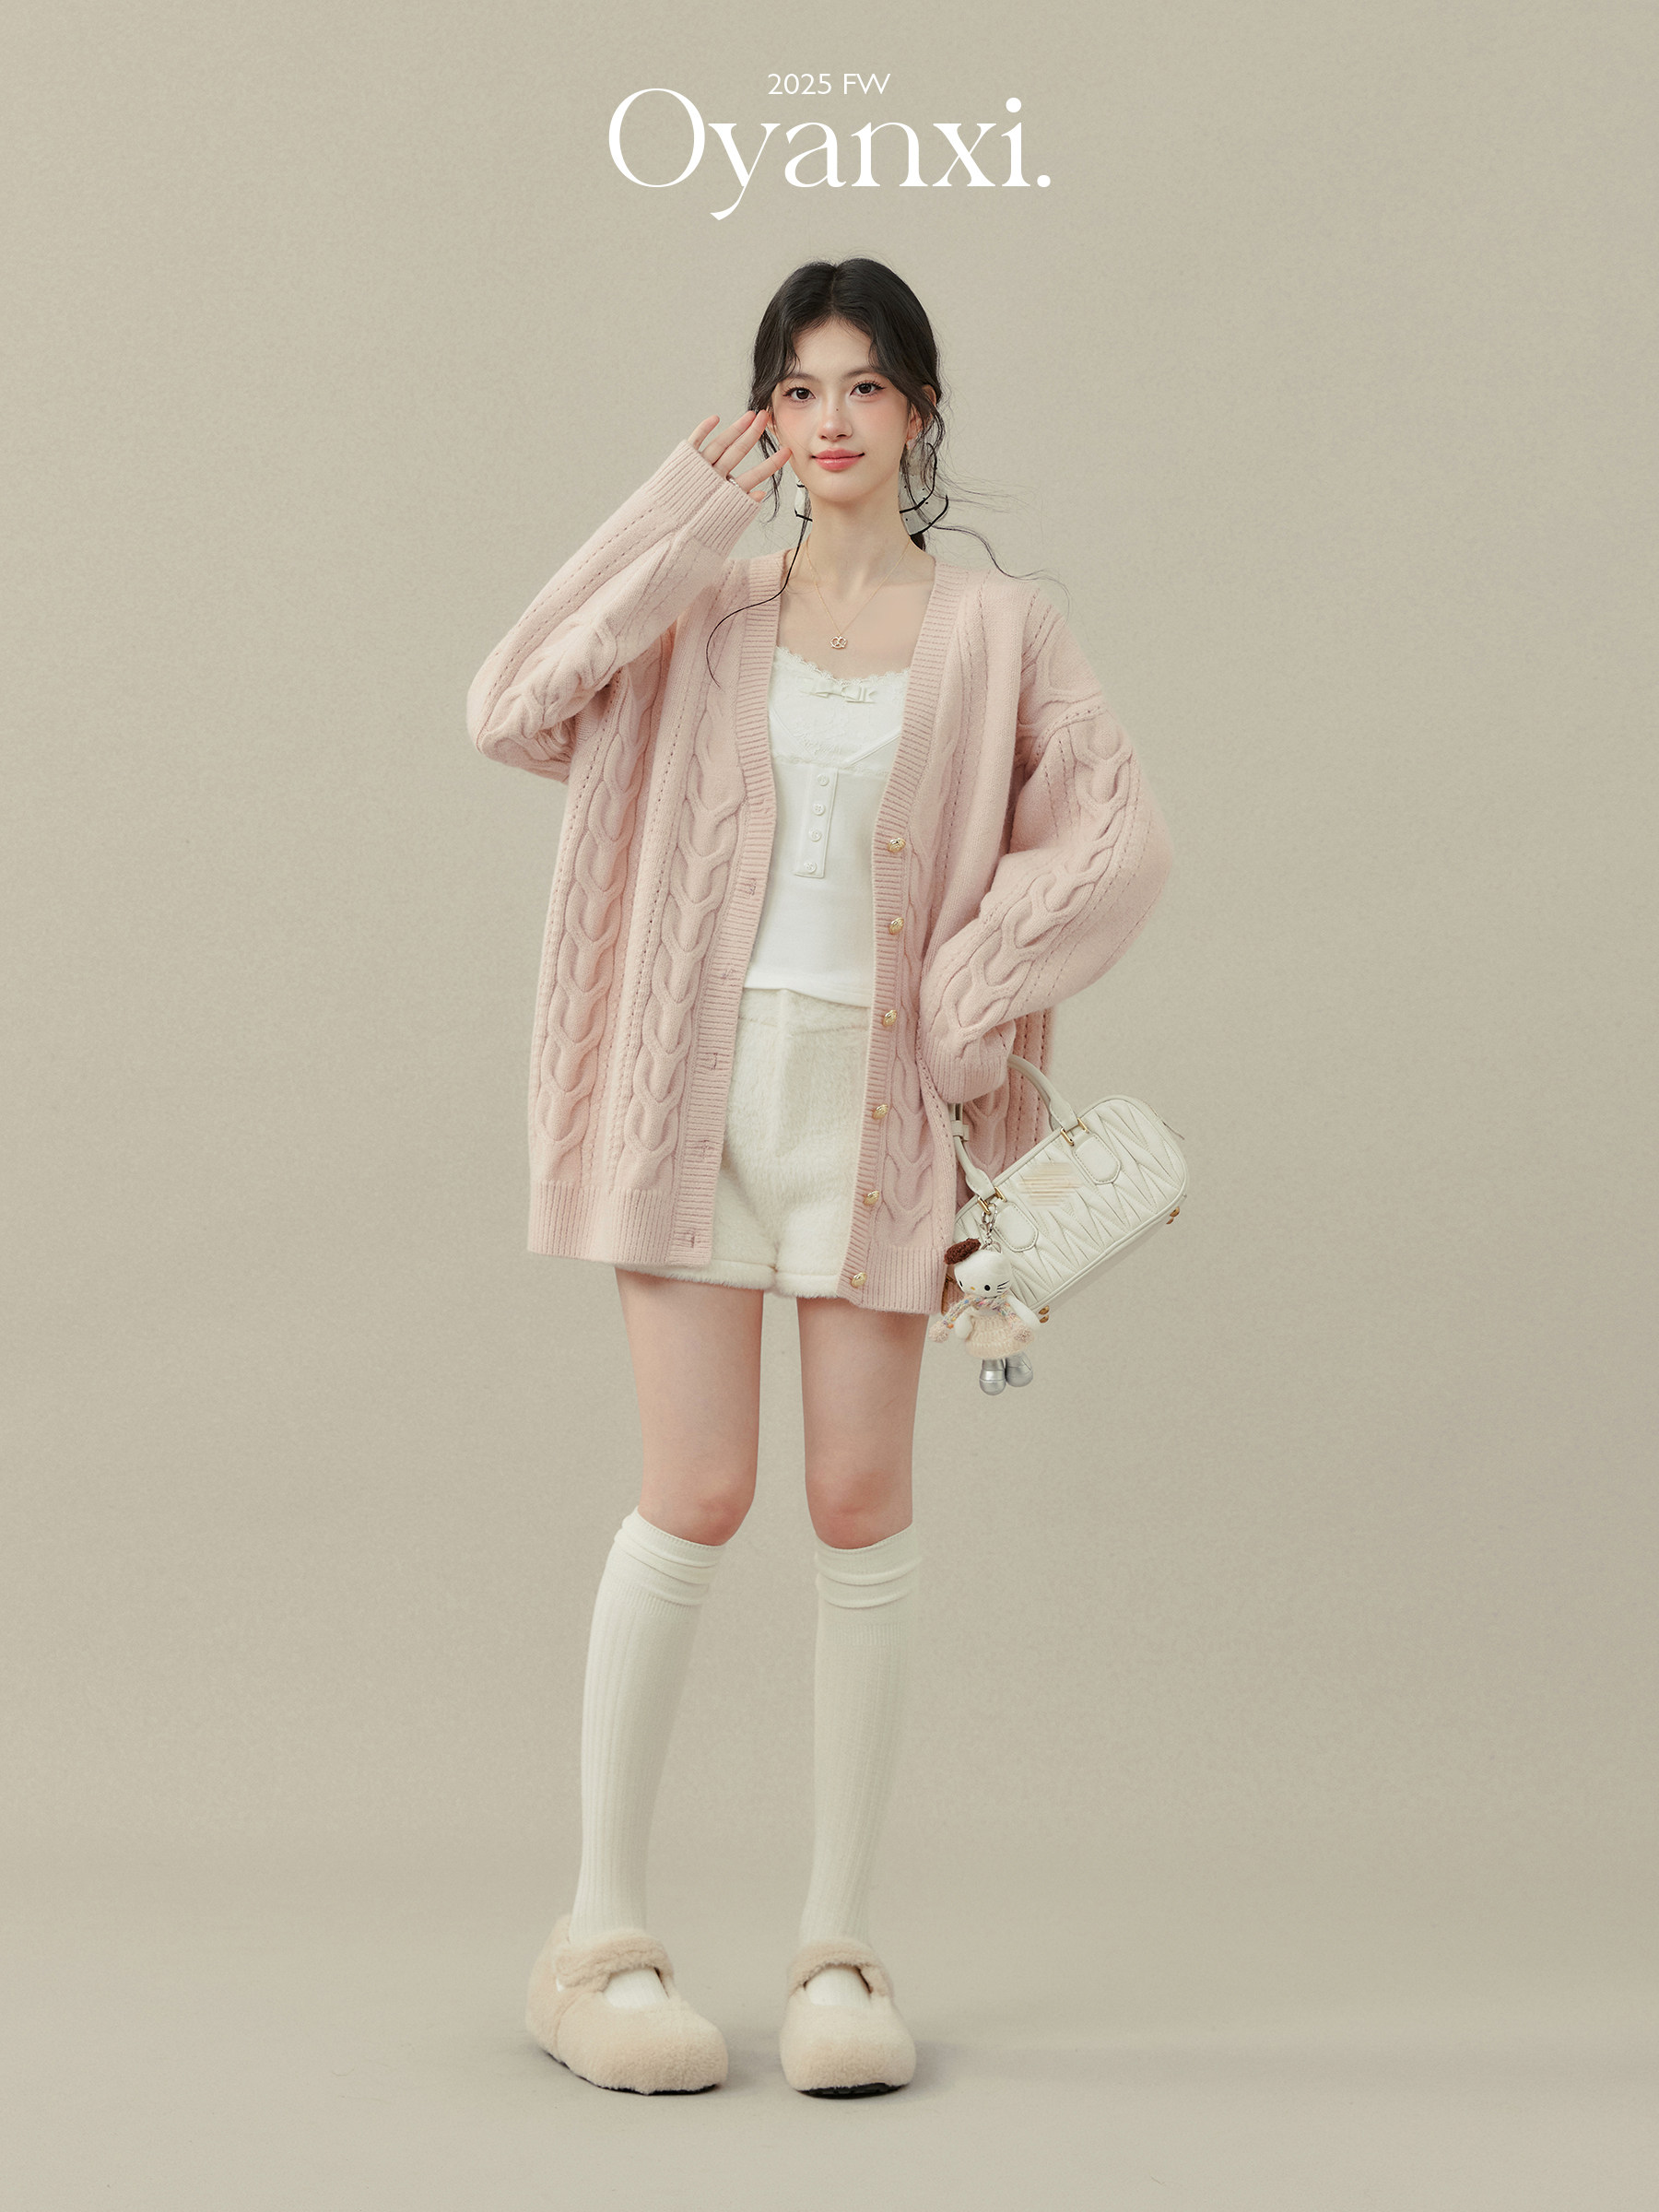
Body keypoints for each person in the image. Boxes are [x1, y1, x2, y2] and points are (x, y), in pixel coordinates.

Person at [465, 258, 1175, 2097]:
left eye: (867, 386)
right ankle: (597, 1939)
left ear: (921, 411)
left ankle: (839, 1951)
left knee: (859, 1507)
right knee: (695, 1491)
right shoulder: (702, 601)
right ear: (764, 418)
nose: (832, 418)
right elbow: (516, 704)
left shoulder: (1002, 629)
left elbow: (1114, 838)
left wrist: (975, 988)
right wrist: (674, 512)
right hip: (686, 1097)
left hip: (878, 1109)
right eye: (799, 388)